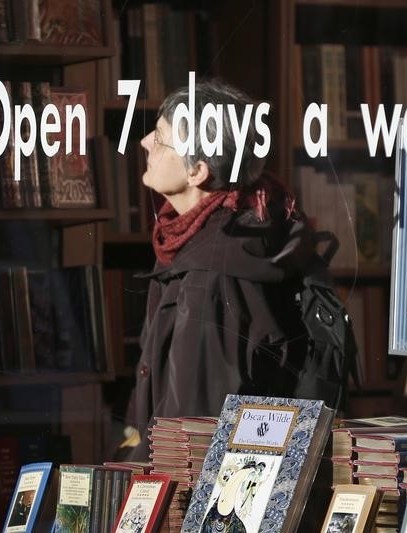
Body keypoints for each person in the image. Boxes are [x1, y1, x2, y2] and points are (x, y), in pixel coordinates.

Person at [125, 79, 316, 459]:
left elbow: (191, 429)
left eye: (161, 138)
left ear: (196, 171)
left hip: (185, 494)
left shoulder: (212, 272)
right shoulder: (200, 242)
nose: (146, 142)